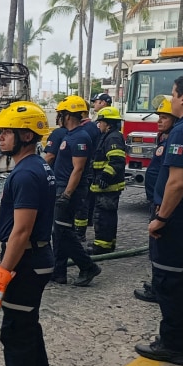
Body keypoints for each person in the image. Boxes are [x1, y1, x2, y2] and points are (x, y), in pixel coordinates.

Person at [135, 73, 183, 366]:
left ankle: (172, 345)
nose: (170, 98)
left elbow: (177, 182)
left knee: (169, 285)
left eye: (172, 92)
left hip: (178, 224)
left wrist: (161, 218)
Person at [0, 101, 55, 366]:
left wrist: (1, 277)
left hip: (26, 262)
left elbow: (21, 231)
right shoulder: (39, 166)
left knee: (15, 332)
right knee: (27, 325)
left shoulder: (24, 174)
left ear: (26, 136)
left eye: (6, 132)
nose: (0, 138)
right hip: (37, 258)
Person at [51, 95, 102, 286]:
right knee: (59, 232)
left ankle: (88, 266)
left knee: (63, 233)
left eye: (61, 114)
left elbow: (78, 169)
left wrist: (67, 194)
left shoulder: (80, 136)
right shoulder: (69, 135)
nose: (59, 117)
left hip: (69, 191)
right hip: (62, 187)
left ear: (68, 115)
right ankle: (59, 272)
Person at [135, 96, 178, 303]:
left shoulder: (174, 140)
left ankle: (159, 289)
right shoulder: (165, 138)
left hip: (161, 203)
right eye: (159, 116)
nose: (159, 121)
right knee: (156, 248)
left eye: (164, 117)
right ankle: (158, 284)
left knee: (160, 249)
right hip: (156, 199)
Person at [86, 106, 126, 255]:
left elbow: (116, 161)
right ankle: (107, 243)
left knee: (103, 216)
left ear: (108, 123)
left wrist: (105, 177)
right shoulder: (109, 136)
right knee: (106, 215)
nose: (98, 125)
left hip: (108, 186)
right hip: (105, 185)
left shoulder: (113, 137)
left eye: (101, 122)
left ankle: (102, 245)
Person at [74, 93, 108, 242]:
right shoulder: (93, 127)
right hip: (92, 169)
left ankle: (80, 232)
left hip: (88, 169)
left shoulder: (86, 130)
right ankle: (87, 223)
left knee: (84, 201)